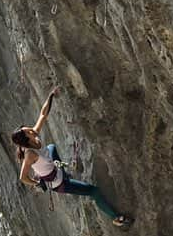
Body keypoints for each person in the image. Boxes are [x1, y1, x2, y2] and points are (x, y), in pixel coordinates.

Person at [11, 87, 133, 228]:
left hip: (54, 168)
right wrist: (37, 183)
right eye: (26, 130)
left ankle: (58, 167)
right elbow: (22, 177)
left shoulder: (34, 136)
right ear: (26, 137)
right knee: (94, 191)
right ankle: (116, 219)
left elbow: (43, 115)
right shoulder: (30, 154)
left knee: (50, 147)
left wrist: (51, 95)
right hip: (58, 183)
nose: (29, 128)